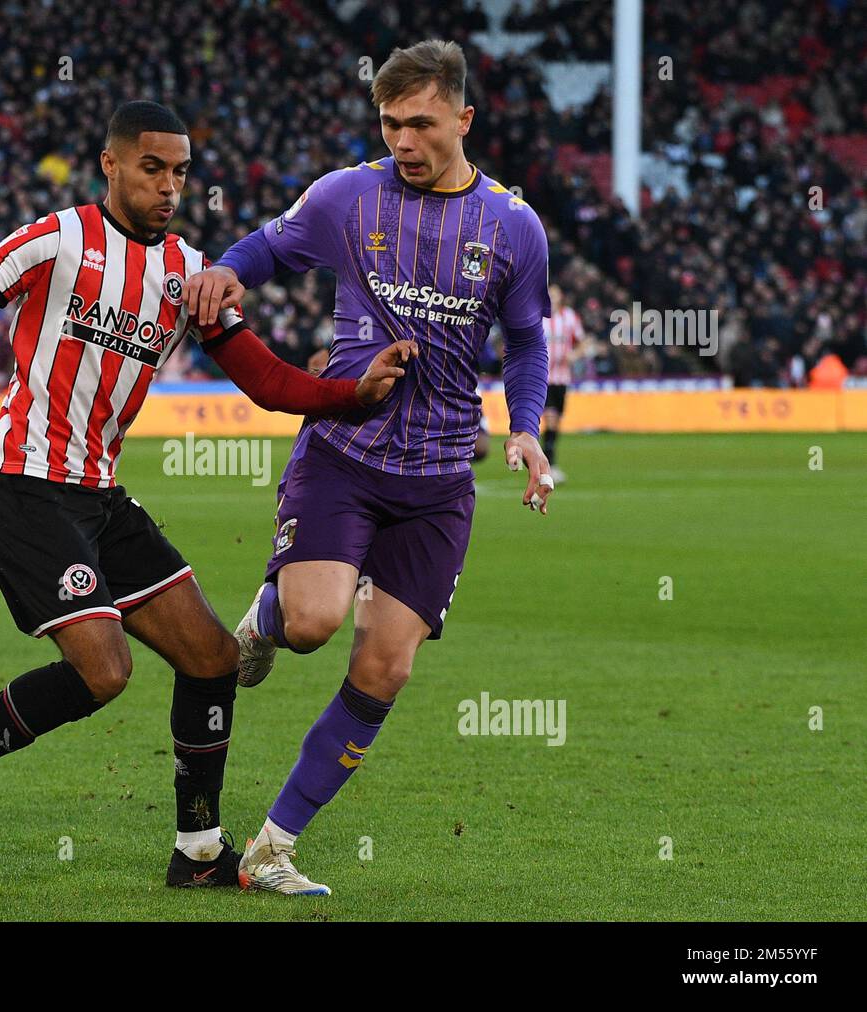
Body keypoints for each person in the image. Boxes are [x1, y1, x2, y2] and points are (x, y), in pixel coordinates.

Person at [0, 101, 415, 894]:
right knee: (103, 672)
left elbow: (268, 381)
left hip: (99, 498)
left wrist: (353, 394)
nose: (169, 185)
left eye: (179, 171)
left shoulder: (188, 273)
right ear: (110, 165)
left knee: (211, 657)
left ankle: (199, 853)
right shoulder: (56, 239)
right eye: (152, 168)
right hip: (18, 487)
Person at [183, 39, 555, 895]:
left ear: (463, 118)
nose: (404, 142)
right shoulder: (350, 197)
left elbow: (527, 339)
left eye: (421, 123)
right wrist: (223, 276)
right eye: (390, 124)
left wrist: (526, 428)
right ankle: (266, 620)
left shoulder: (512, 225)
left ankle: (271, 848)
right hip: (345, 453)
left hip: (437, 482)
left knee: (384, 666)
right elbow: (266, 248)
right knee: (312, 623)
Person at [542, 283, 585, 483]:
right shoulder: (538, 316)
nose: (552, 298)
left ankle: (545, 461)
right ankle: (549, 466)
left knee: (556, 421)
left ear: (561, 298)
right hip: (542, 377)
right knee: (550, 417)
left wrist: (575, 354)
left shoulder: (569, 317)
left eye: (555, 295)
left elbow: (582, 342)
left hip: (562, 377)